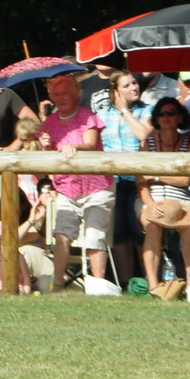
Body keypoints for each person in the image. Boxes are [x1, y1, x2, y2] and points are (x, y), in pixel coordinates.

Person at [37, 72, 109, 286]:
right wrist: (45, 144)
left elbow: (90, 143)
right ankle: (58, 284)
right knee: (61, 234)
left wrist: (74, 147)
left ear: (77, 94)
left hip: (96, 187)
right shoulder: (48, 123)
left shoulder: (88, 117)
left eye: (66, 93)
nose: (61, 98)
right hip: (66, 188)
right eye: (57, 94)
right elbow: (48, 157)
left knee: (94, 235)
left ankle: (98, 286)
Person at [138, 97, 190, 292]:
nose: (166, 117)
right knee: (153, 226)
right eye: (161, 114)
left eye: (171, 113)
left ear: (180, 117)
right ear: (156, 118)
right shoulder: (147, 143)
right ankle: (153, 285)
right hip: (151, 197)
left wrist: (156, 174)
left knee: (189, 228)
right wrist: (150, 204)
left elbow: (185, 180)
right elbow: (141, 181)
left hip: (181, 199)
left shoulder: (188, 142)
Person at [99, 69, 152, 284]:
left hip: (139, 180)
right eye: (127, 85)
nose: (133, 87)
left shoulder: (146, 110)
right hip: (112, 180)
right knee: (120, 233)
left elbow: (143, 134)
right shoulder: (102, 114)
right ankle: (126, 283)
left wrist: (125, 112)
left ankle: (150, 281)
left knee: (139, 232)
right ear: (115, 91)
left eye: (134, 83)